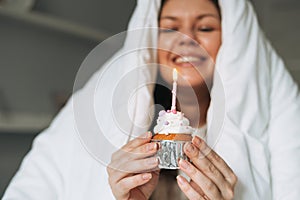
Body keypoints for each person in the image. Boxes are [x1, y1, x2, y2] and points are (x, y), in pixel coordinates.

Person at [3, 0, 300, 200]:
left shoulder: (282, 115)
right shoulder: (100, 101)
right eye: (170, 27)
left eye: (205, 27)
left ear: (236, 42)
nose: (185, 39)